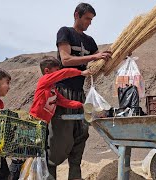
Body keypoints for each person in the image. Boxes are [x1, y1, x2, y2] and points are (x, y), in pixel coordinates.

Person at [48, 2, 112, 180]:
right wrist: (94, 57)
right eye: (87, 19)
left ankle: (75, 177)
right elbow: (66, 60)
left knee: (81, 134)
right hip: (62, 92)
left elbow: (101, 65)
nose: (89, 23)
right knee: (59, 138)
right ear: (77, 15)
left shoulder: (90, 41)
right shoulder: (65, 32)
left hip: (80, 94)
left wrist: (120, 56)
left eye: (91, 20)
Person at [9, 58, 92, 180]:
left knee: (40, 155)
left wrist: (81, 105)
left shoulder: (52, 90)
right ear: (47, 71)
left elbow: (64, 102)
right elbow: (63, 73)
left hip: (43, 126)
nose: (59, 73)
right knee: (28, 155)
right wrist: (80, 73)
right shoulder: (44, 81)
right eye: (56, 70)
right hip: (34, 124)